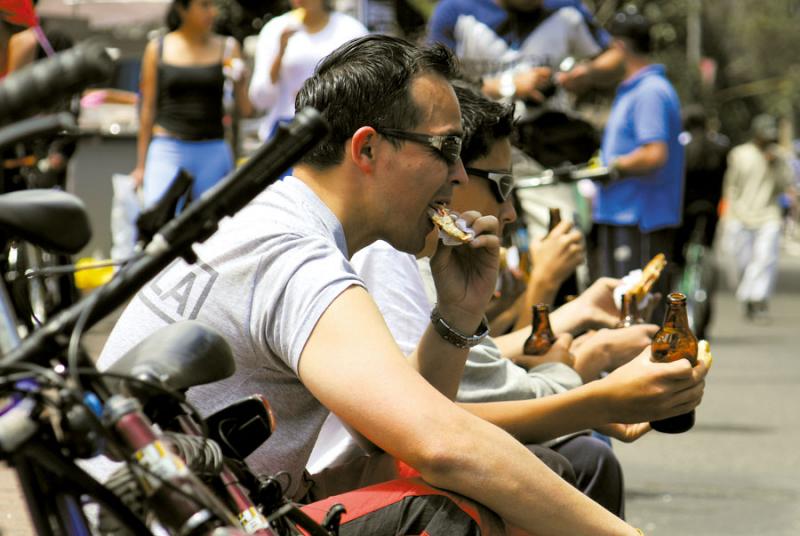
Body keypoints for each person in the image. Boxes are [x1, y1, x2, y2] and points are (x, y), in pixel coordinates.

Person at [99, 35, 707, 534]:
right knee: (456, 510)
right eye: (445, 149)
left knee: (515, 475)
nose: (460, 173)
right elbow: (438, 445)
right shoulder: (292, 252)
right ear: (367, 150)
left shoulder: (290, 223)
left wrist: (456, 315)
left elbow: (392, 443)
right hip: (175, 520)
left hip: (216, 508)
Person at [307, 80, 661, 516]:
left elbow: (445, 394)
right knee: (570, 460)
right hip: (306, 502)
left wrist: (570, 314)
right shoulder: (373, 250)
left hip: (350, 477)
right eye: (501, 183)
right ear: (369, 151)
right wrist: (592, 385)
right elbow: (435, 427)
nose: (453, 175)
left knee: (570, 458)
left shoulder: (409, 246)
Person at [590, 8, 684, 321]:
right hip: (625, 215)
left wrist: (612, 168)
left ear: (619, 47)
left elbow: (654, 153)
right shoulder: (635, 88)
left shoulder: (650, 92)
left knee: (639, 314)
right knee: (625, 310)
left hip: (640, 219)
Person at [132, 0, 251, 208]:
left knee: (215, 227)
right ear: (182, 9)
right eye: (204, 5)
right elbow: (147, 108)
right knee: (158, 217)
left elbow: (247, 109)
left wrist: (241, 82)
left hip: (212, 147)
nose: (211, 12)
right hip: (168, 147)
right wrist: (141, 165)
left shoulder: (228, 47)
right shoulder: (157, 47)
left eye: (213, 5)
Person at [248, 0, 366, 142]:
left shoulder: (351, 29)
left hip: (336, 126)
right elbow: (260, 99)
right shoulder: (274, 29)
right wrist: (280, 53)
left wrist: (319, 94)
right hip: (287, 126)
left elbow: (364, 86)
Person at [721, 113, 794, 322]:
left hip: (768, 215)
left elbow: (784, 185)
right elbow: (731, 185)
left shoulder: (779, 156)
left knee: (765, 259)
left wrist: (775, 165)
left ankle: (758, 299)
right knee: (743, 262)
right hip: (741, 215)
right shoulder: (740, 154)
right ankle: (747, 297)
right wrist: (728, 214)